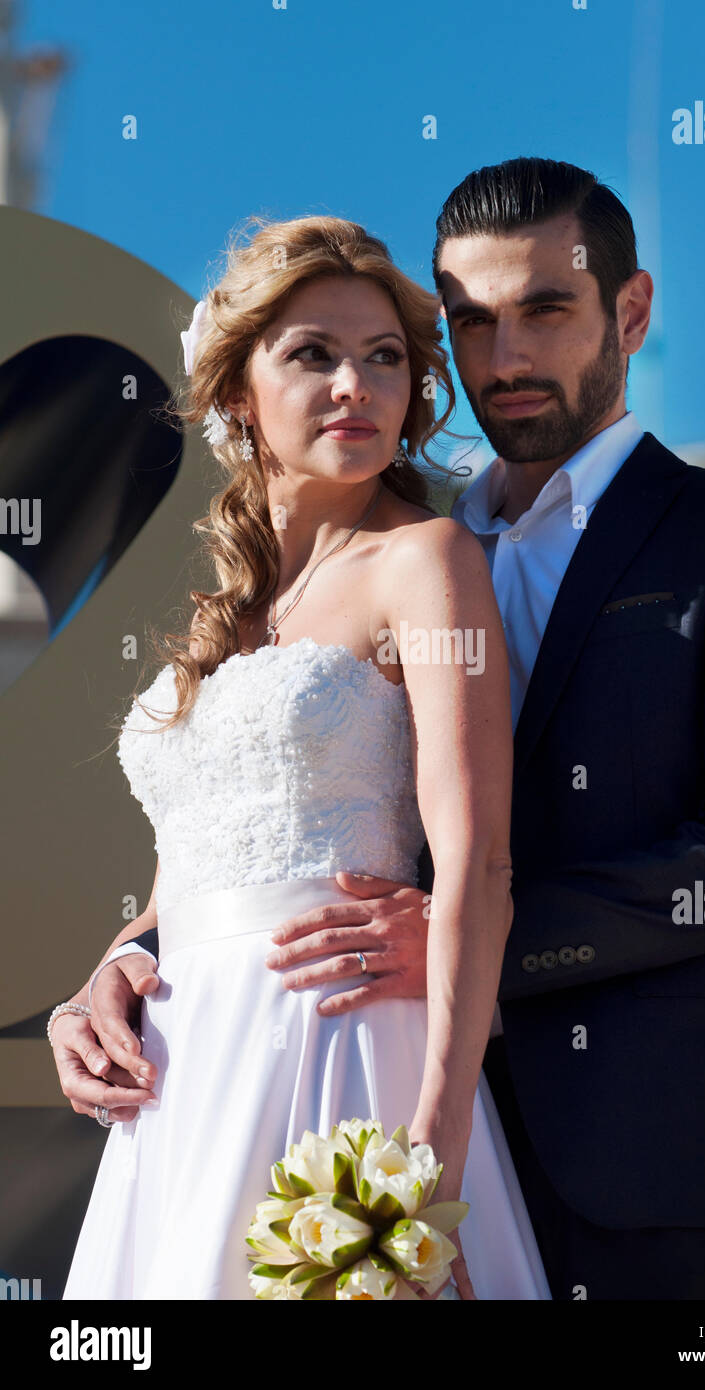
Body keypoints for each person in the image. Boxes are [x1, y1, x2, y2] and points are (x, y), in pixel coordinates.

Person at [57, 158, 705, 1301]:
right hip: (310, 1079)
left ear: (629, 312)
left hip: (649, 1142)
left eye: (544, 309)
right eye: (469, 321)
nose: (504, 357)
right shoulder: (412, 543)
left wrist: (476, 947)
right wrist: (121, 966)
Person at [56, 212, 551, 1300]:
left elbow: (475, 864)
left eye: (384, 359)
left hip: (340, 1045)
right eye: (312, 355)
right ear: (237, 390)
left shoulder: (426, 562)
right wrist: (110, 972)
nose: (357, 386)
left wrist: (428, 1161)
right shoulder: (213, 612)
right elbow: (194, 871)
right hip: (179, 1083)